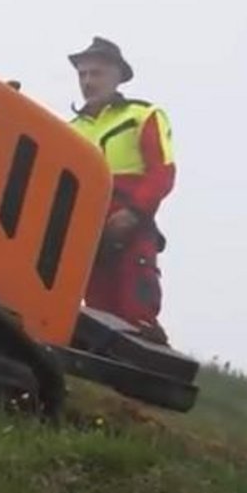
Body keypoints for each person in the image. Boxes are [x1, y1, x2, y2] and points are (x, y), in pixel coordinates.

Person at [67, 36, 177, 344]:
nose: (88, 81)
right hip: (87, 233)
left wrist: (133, 213)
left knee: (137, 313)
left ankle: (151, 378)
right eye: (82, 74)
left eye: (96, 73)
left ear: (117, 75)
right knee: (95, 316)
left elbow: (163, 172)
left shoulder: (143, 115)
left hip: (131, 227)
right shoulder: (69, 130)